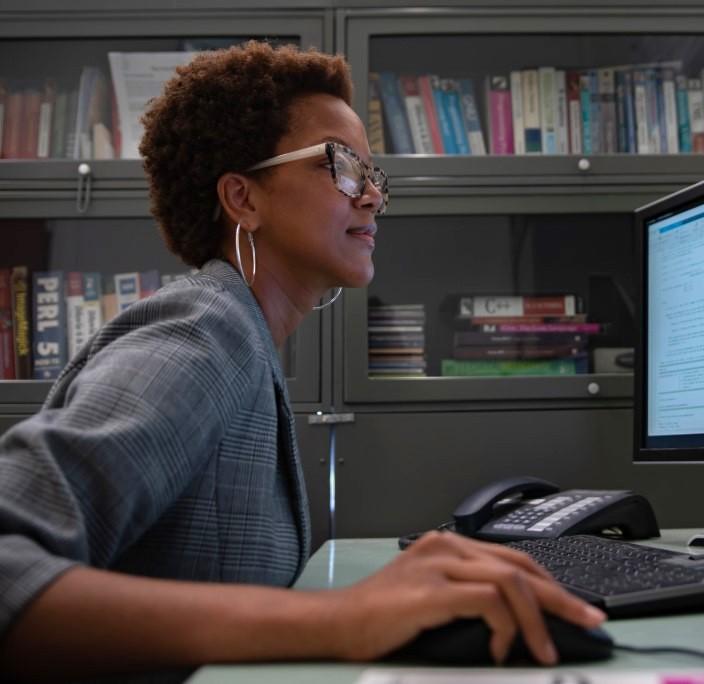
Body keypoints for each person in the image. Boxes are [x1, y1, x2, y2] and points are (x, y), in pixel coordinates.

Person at [0, 42, 604, 681]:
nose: (371, 196)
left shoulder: (244, 335)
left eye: (375, 177)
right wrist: (344, 621)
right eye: (344, 166)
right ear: (244, 198)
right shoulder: (206, 333)